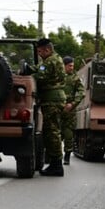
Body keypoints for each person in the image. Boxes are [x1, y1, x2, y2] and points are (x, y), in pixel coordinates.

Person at [33, 38, 66, 176]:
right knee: (51, 131)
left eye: (40, 51)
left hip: (52, 99)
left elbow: (40, 76)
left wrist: (29, 73)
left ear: (47, 49)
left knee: (52, 132)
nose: (39, 54)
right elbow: (40, 70)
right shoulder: (51, 60)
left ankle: (57, 164)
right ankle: (54, 163)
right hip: (53, 99)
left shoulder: (51, 60)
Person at [60, 56, 85, 165]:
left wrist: (73, 104)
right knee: (54, 133)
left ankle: (67, 156)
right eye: (69, 66)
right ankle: (52, 156)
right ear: (64, 66)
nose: (71, 68)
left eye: (72, 66)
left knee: (68, 134)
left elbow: (81, 92)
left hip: (69, 110)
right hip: (56, 108)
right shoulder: (57, 77)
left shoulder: (75, 78)